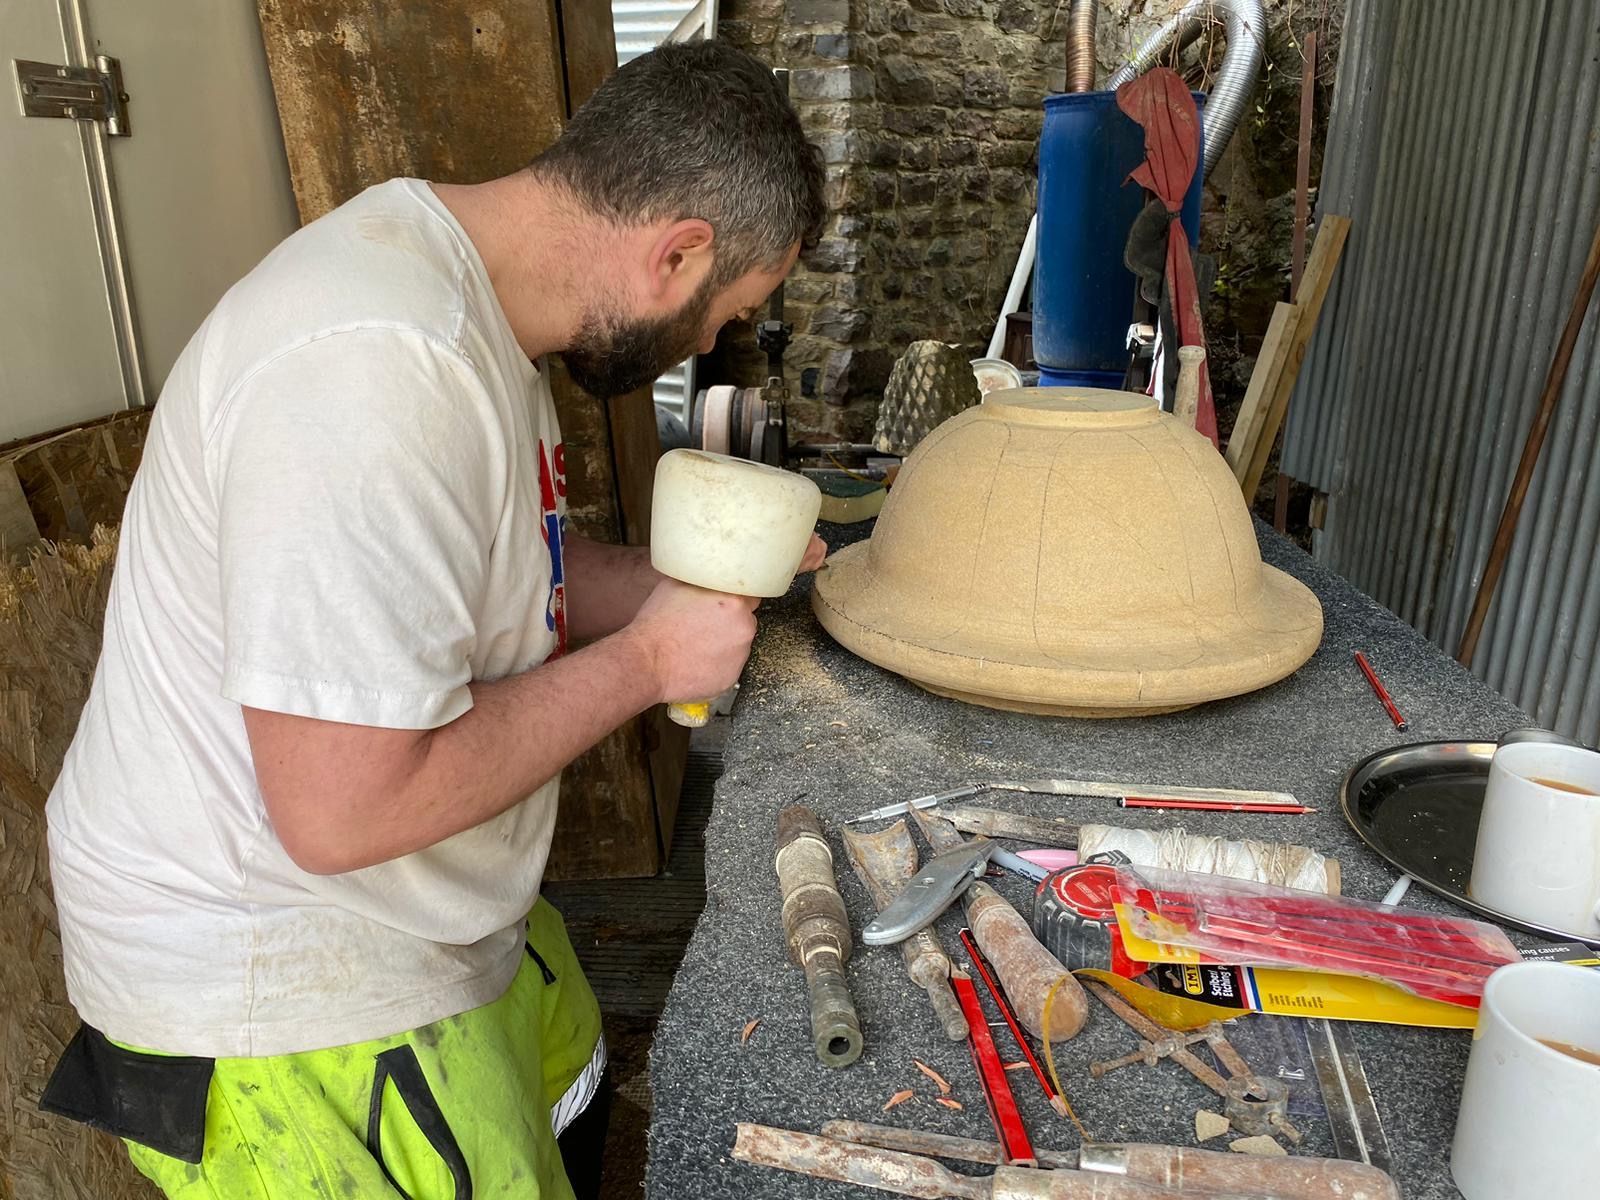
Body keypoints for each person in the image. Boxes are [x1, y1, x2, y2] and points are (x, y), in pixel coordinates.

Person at [40, 39, 825, 1200]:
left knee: (571, 1072)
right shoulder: (375, 366)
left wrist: (683, 594)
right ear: (678, 253)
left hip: (410, 911)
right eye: (727, 311)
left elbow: (516, 575)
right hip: (276, 974)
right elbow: (345, 806)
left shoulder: (471, 309)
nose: (709, 344)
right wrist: (652, 660)